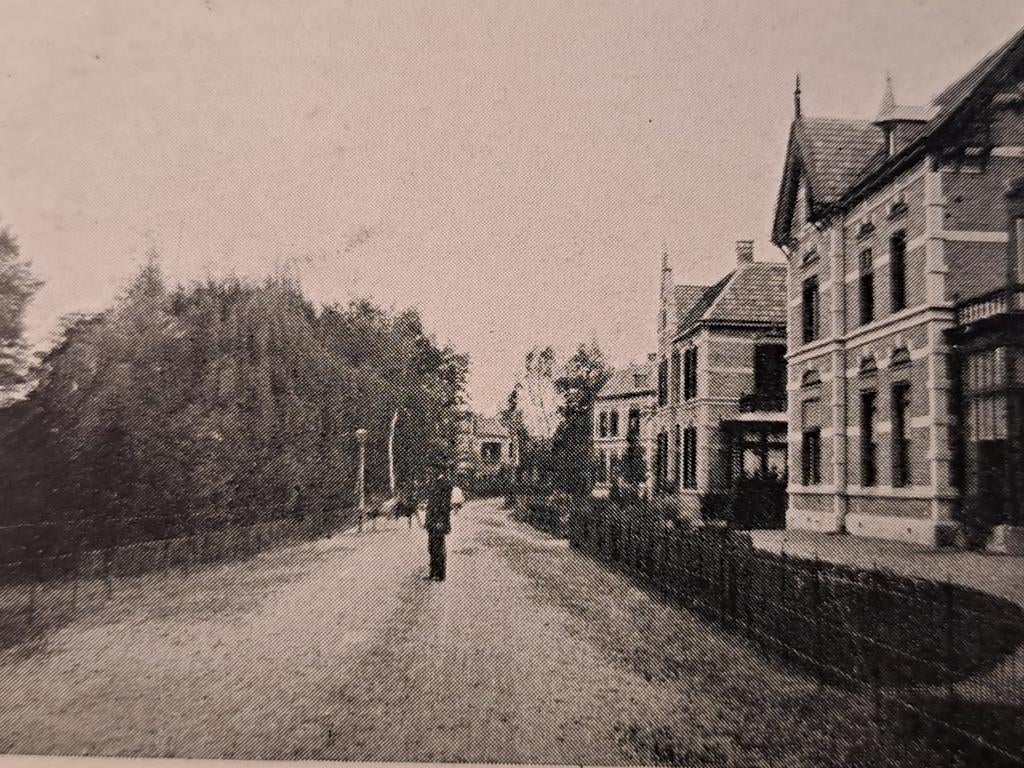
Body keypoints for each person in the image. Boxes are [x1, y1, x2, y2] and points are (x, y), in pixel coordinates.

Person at [424, 463, 452, 581]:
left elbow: (445, 506)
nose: (430, 472)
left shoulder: (444, 484)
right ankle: (433, 572)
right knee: (432, 546)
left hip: (439, 520)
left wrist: (442, 521)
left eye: (432, 470)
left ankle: (440, 574)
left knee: (438, 547)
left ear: (438, 471)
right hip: (433, 520)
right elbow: (431, 505)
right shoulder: (434, 483)